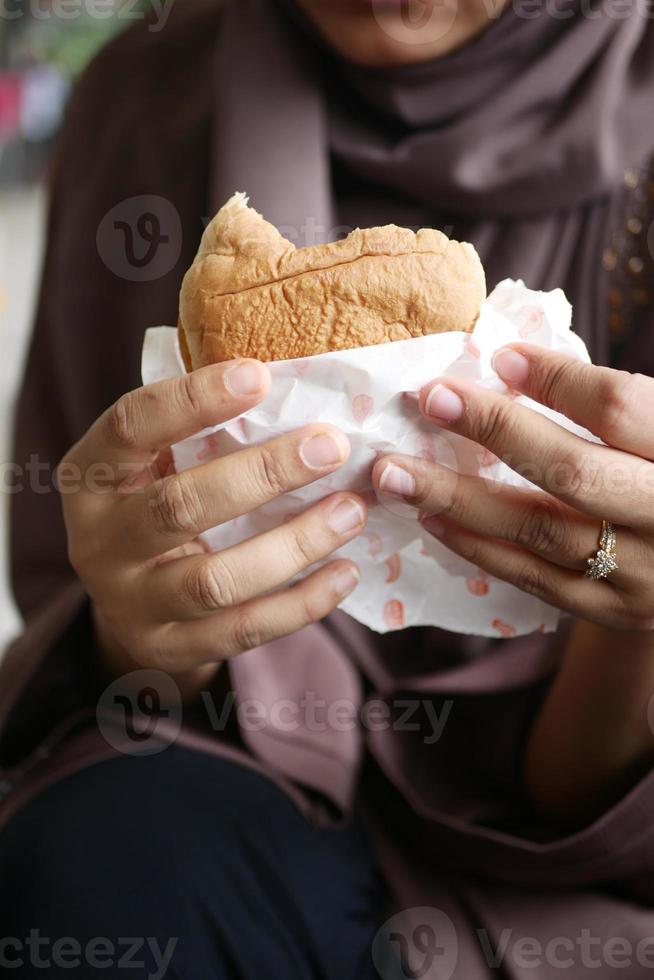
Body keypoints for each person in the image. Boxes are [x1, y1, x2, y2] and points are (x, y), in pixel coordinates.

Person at [1, 0, 654, 976]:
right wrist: (146, 629)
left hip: (583, 858)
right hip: (240, 784)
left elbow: (569, 797)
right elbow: (97, 629)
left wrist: (636, 625)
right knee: (98, 854)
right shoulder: (146, 101)